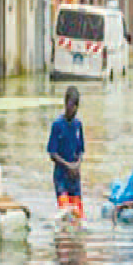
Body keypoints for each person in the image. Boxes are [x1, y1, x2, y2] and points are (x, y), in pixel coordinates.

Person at [47, 86, 85, 218]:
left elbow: (81, 150)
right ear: (65, 104)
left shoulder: (78, 125)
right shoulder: (57, 125)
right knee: (65, 213)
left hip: (74, 177)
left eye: (75, 106)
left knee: (77, 215)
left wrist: (77, 165)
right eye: (70, 105)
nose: (72, 109)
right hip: (61, 176)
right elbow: (52, 153)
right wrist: (68, 165)